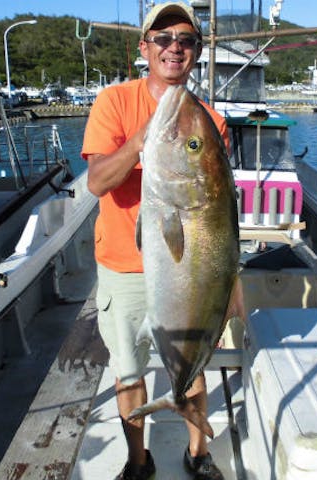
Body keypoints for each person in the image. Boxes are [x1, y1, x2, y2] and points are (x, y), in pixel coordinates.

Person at [81, 2, 229, 479]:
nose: (174, 47)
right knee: (129, 372)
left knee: (191, 367)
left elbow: (218, 208)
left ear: (197, 51)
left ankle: (198, 454)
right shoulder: (114, 103)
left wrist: (229, 285)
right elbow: (98, 182)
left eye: (185, 39)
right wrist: (143, 140)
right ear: (144, 48)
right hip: (124, 269)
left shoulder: (209, 119)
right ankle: (138, 461)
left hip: (186, 271)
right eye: (162, 38)